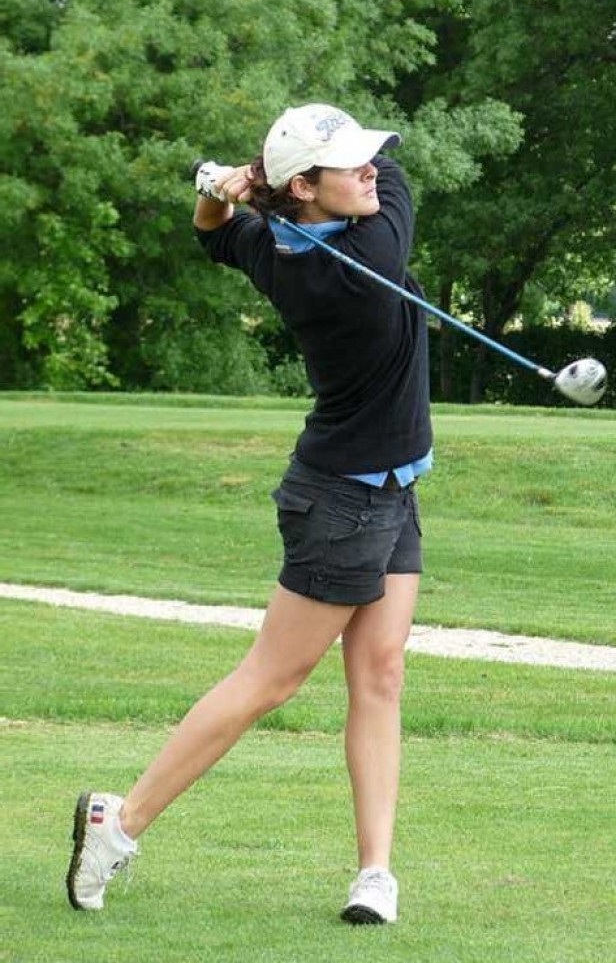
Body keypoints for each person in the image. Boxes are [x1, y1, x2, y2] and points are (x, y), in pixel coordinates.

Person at [65, 103, 433, 926]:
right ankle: (116, 826)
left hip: (391, 483)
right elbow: (397, 181)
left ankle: (375, 872)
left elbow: (213, 234)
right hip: (343, 497)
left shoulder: (279, 243)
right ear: (307, 188)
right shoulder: (360, 258)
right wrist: (257, 181)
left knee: (380, 675)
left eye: (367, 160)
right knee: (273, 679)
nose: (373, 171)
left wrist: (228, 193)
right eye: (351, 166)